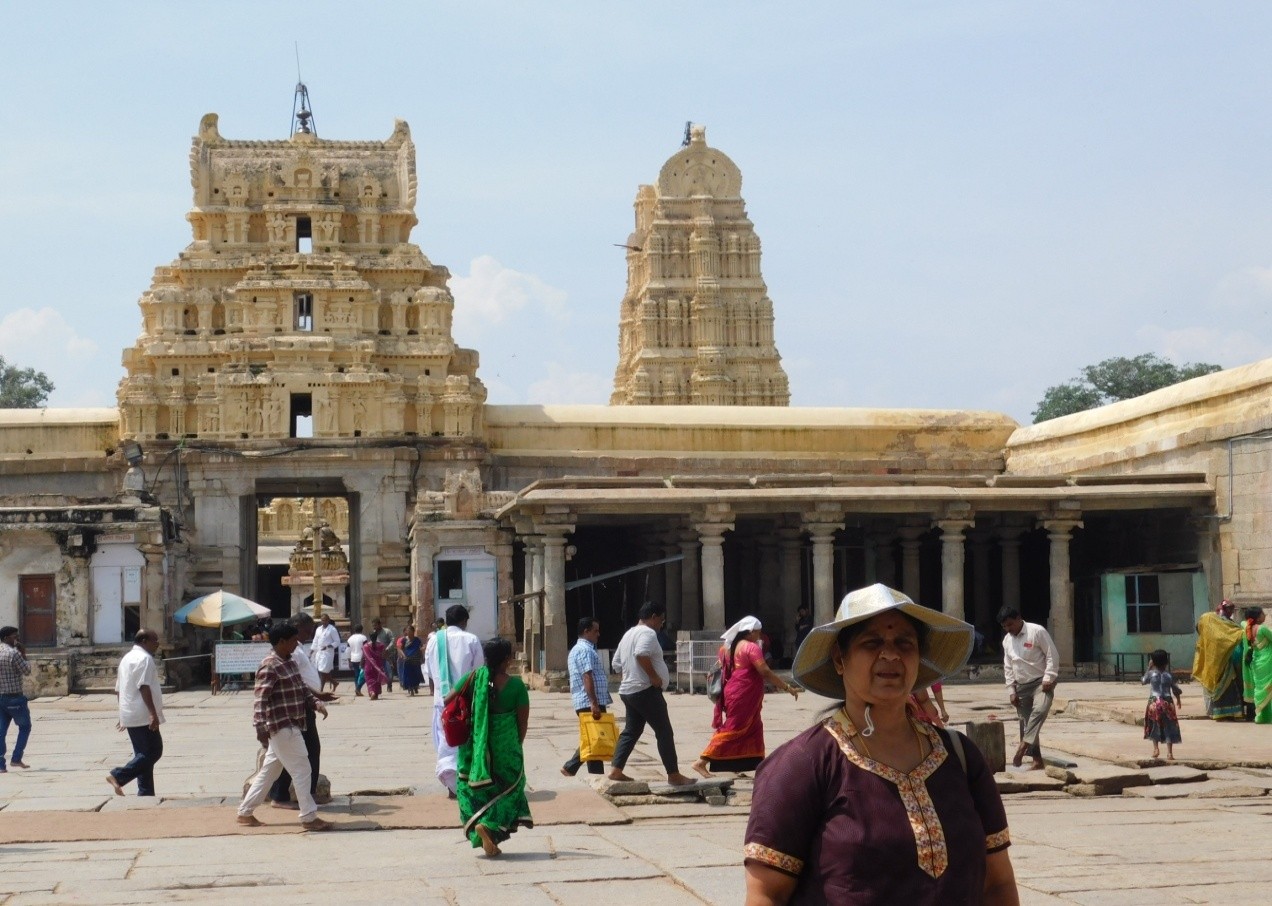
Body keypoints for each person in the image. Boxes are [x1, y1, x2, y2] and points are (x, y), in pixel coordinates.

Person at [744, 583, 1018, 905]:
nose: (890, 654)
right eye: (871, 642)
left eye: (905, 643)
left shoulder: (960, 756)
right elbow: (766, 894)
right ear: (839, 659)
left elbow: (998, 883)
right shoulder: (802, 764)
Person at [236, 622, 332, 831]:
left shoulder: (289, 662)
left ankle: (245, 812)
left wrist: (316, 704)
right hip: (282, 726)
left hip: (293, 722)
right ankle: (308, 816)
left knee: (269, 771)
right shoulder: (269, 665)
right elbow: (260, 699)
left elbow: (301, 689)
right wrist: (260, 726)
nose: (296, 644)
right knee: (302, 769)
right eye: (293, 641)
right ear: (281, 642)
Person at [449, 636, 532, 857]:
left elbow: (448, 699)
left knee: (473, 790)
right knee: (512, 789)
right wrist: (517, 745)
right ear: (506, 659)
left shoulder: (473, 678)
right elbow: (522, 723)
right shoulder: (515, 686)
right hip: (506, 749)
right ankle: (489, 826)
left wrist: (475, 712)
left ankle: (486, 834)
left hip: (474, 749)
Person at [692, 616, 798, 777]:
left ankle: (750, 765)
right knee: (733, 728)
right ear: (749, 632)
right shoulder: (751, 648)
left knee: (754, 728)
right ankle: (701, 762)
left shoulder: (726, 648)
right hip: (743, 695)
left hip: (734, 692)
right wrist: (786, 686)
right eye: (758, 633)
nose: (759, 636)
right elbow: (765, 671)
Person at [608, 602, 694, 786]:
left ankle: (616, 769)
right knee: (664, 731)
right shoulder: (647, 633)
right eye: (661, 621)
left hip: (629, 691)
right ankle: (674, 774)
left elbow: (616, 663)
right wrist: (653, 677)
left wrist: (630, 675)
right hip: (644, 690)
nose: (661, 625)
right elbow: (641, 654)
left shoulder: (628, 634)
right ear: (653, 617)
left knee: (631, 731)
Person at [269, 613, 336, 811]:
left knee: (283, 757)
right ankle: (300, 797)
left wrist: (317, 698)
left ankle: (285, 795)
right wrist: (316, 697)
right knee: (308, 751)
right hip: (298, 708)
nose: (309, 635)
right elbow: (296, 681)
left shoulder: (295, 650)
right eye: (306, 631)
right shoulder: (290, 653)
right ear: (296, 627)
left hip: (304, 704)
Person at [424, 605, 484, 796]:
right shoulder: (471, 639)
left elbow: (429, 671)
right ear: (464, 621)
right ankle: (460, 783)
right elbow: (479, 671)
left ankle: (452, 784)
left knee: (446, 741)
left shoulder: (434, 640)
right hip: (465, 701)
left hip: (441, 701)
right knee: (464, 742)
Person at [999, 605, 1059, 771]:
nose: (1008, 629)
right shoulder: (1007, 640)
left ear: (1019, 619)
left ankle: (1023, 744)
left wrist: (1049, 677)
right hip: (1021, 685)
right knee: (1028, 722)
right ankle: (1037, 760)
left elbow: (1052, 655)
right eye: (1004, 626)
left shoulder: (1037, 631)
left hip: (1041, 682)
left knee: (1040, 711)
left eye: (1010, 624)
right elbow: (1008, 666)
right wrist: (1011, 690)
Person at [106, 629, 165, 796]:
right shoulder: (144, 659)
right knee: (154, 751)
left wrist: (122, 713)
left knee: (142, 756)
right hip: (142, 714)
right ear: (144, 641)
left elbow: (119, 689)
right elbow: (143, 686)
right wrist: (152, 713)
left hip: (130, 712)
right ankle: (118, 775)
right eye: (155, 640)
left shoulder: (126, 659)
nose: (157, 644)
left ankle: (145, 793)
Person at [561, 617, 612, 777]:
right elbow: (587, 676)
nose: (598, 634)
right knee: (594, 738)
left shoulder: (584, 649)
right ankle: (570, 766)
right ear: (586, 631)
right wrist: (593, 702)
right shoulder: (584, 650)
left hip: (588, 700)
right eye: (595, 630)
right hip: (588, 700)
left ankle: (595, 775)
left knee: (594, 738)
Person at [1192, 599, 1243, 720]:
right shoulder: (1209, 618)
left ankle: (1230, 712)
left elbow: (1234, 635)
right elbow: (1202, 630)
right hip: (1214, 658)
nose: (1231, 611)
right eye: (1230, 608)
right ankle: (1218, 712)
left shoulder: (1229, 623)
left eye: (1232, 609)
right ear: (1224, 609)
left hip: (1226, 658)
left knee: (1230, 686)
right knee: (1217, 685)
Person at [0, 626, 32, 772]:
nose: (17, 640)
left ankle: (1, 765)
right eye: (14, 637)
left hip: (1, 698)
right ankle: (16, 758)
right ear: (6, 638)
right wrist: (23, 653)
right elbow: (27, 671)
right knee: (25, 727)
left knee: (1, 732)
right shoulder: (14, 654)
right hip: (14, 698)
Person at [1142, 649, 1182, 760]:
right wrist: (1178, 699)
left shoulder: (1151, 674)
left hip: (1154, 702)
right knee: (1169, 725)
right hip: (1167, 702)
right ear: (1166, 662)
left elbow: (1143, 680)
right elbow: (1175, 689)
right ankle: (1169, 753)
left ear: (1153, 662)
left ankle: (1156, 749)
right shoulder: (1168, 675)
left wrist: (1148, 668)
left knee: (1154, 725)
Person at [1240, 607, 1272, 723]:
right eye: (1263, 613)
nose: (1265, 615)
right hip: (1267, 661)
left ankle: (1261, 716)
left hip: (1256, 662)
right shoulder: (1262, 629)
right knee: (1269, 688)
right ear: (1258, 617)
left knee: (1260, 688)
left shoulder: (1248, 629)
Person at [311, 613, 341, 693]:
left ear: (328, 620)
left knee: (323, 671)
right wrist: (312, 650)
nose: (323, 622)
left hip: (328, 653)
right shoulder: (318, 629)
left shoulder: (332, 629)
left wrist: (328, 646)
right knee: (321, 670)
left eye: (325, 620)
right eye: (322, 620)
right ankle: (334, 682)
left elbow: (337, 642)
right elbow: (315, 640)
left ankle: (321, 689)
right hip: (319, 652)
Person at [361, 630, 390, 700]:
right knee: (377, 681)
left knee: (370, 681)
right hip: (378, 667)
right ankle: (375, 694)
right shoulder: (381, 645)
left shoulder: (365, 646)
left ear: (369, 637)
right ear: (377, 637)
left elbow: (364, 657)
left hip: (368, 667)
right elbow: (384, 655)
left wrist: (361, 664)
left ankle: (372, 692)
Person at [398, 625, 424, 695]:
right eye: (407, 630)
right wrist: (403, 656)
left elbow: (421, 647)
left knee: (416, 675)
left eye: (409, 630)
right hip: (407, 660)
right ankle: (411, 689)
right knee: (408, 675)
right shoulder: (404, 640)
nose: (408, 632)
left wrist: (422, 656)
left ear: (413, 631)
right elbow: (400, 649)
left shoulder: (417, 640)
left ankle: (415, 686)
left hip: (416, 660)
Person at [372, 619, 397, 693]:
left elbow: (393, 640)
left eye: (375, 625)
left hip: (387, 655)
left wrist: (387, 648)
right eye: (373, 626)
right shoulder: (374, 633)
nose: (374, 627)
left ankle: (389, 685)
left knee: (389, 671)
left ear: (379, 624)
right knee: (378, 672)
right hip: (378, 656)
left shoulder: (387, 631)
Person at [346, 623, 368, 697]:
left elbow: (348, 650)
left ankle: (357, 689)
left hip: (353, 658)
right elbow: (366, 649)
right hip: (362, 658)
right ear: (362, 630)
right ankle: (358, 688)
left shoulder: (350, 638)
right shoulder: (363, 638)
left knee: (356, 674)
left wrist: (349, 660)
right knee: (365, 674)